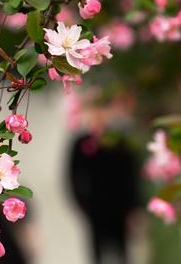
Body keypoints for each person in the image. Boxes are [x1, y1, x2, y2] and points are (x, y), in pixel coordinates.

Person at [67, 107, 140, 264]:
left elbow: (131, 175)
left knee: (123, 252)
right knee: (97, 254)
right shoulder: (80, 143)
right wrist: (82, 205)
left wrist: (133, 207)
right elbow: (72, 178)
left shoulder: (120, 141)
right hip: (95, 208)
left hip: (120, 208)